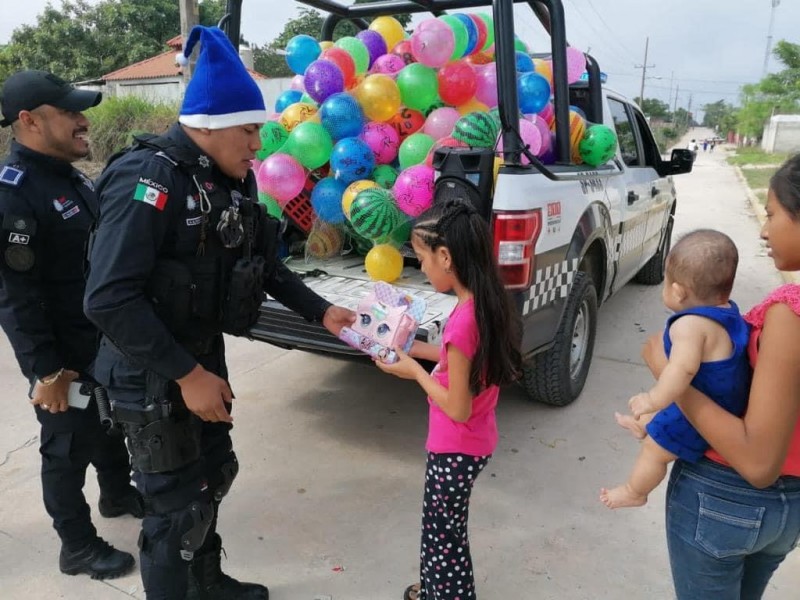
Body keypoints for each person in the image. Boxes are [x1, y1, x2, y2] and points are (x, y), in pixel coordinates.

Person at [83, 27, 354, 600]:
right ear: (207, 124)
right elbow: (108, 297)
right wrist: (188, 376)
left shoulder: (230, 179)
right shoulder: (148, 180)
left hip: (201, 360)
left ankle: (207, 587)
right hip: (153, 373)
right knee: (174, 516)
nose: (260, 144)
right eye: (250, 130)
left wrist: (322, 311)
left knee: (211, 481)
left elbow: (261, 259)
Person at [0, 70, 143, 580]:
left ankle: (117, 493)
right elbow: (15, 297)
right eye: (70, 112)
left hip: (98, 344)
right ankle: (77, 546)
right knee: (65, 446)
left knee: (108, 424)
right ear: (29, 121)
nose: (84, 121)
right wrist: (45, 372)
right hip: (61, 356)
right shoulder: (15, 194)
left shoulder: (70, 176)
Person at [642, 154, 800, 599]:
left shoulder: (792, 312)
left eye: (772, 214)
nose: (764, 231)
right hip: (786, 512)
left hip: (727, 498)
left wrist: (668, 375)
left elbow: (758, 463)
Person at [376, 200, 522, 600]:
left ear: (445, 256)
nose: (420, 268)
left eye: (422, 259)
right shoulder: (482, 303)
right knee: (444, 528)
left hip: (455, 447)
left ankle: (447, 595)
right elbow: (457, 362)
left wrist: (414, 373)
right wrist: (410, 347)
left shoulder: (462, 322)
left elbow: (457, 407)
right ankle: (437, 589)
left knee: (443, 536)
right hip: (474, 441)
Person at [600, 230, 751, 509]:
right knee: (665, 412)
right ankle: (643, 423)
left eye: (666, 283)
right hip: (724, 398)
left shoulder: (689, 326)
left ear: (679, 291)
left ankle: (635, 491)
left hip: (711, 406)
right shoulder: (727, 312)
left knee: (654, 451)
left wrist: (653, 397)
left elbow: (681, 372)